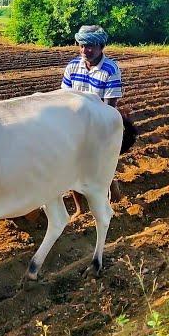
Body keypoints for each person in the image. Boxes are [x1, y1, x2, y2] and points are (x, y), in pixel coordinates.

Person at [62, 25, 123, 217]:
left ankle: (111, 192)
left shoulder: (110, 69)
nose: (85, 50)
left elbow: (109, 106)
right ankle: (80, 208)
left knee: (99, 166)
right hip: (75, 124)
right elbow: (64, 99)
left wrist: (96, 132)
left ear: (101, 46)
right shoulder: (72, 66)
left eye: (90, 46)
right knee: (72, 167)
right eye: (82, 45)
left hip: (99, 123)